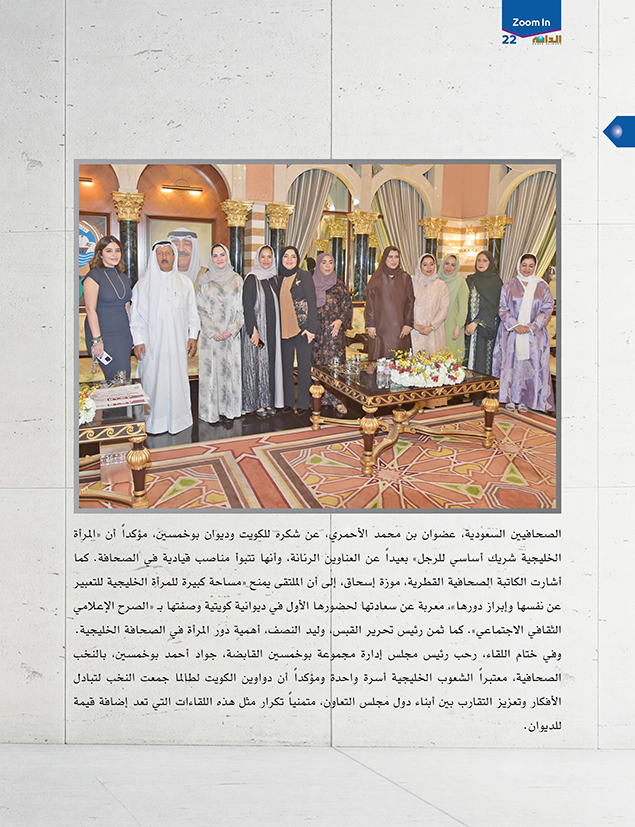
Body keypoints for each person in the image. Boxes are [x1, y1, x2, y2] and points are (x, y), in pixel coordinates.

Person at [130, 241, 199, 435]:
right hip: (153, 346)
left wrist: (193, 336)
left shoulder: (185, 282)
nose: (164, 257)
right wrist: (138, 341)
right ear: (154, 257)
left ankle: (179, 419)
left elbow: (193, 314)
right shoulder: (143, 284)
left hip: (178, 344)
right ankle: (156, 422)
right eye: (160, 253)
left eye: (168, 253)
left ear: (174, 256)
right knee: (154, 382)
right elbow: (135, 317)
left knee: (177, 381)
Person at [492, 253, 555, 412]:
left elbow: (547, 308)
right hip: (511, 333)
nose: (527, 269)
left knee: (529, 366)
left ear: (535, 267)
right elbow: (502, 308)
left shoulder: (542, 286)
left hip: (534, 335)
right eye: (524, 265)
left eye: (531, 266)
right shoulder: (509, 285)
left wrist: (532, 326)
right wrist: (515, 325)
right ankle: (511, 399)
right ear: (518, 266)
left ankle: (526, 400)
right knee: (513, 365)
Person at [197, 244, 244, 424]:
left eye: (222, 255)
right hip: (211, 338)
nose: (219, 259)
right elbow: (200, 309)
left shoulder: (237, 279)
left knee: (231, 373)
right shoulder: (203, 280)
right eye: (215, 256)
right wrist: (212, 331)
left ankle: (230, 410)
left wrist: (231, 330)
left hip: (231, 337)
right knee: (212, 375)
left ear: (227, 256)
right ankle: (212, 412)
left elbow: (242, 309)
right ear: (211, 259)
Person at [83, 236, 133, 380]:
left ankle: (121, 396)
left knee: (124, 373)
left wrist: (132, 333)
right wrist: (97, 340)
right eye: (109, 251)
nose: (114, 254)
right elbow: (90, 309)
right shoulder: (93, 276)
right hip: (103, 333)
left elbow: (127, 306)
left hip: (123, 333)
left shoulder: (124, 278)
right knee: (115, 375)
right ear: (100, 254)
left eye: (117, 250)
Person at [241, 245, 283, 417]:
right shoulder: (252, 279)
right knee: (257, 366)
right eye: (263, 256)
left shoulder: (274, 279)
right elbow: (247, 307)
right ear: (257, 259)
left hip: (272, 332)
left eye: (269, 256)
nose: (266, 260)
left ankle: (268, 402)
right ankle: (257, 403)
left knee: (269, 366)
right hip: (257, 333)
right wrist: (253, 331)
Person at [276, 245, 317, 414]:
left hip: (303, 330)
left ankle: (303, 403)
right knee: (285, 366)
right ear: (281, 259)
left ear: (298, 259)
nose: (289, 259)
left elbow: (312, 302)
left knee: (304, 367)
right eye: (286, 256)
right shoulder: (278, 279)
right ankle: (287, 401)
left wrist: (311, 328)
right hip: (284, 330)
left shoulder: (304, 276)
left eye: (293, 256)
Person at [311, 252, 353, 414]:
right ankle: (320, 398)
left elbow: (347, 307)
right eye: (324, 262)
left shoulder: (340, 285)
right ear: (318, 265)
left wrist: (341, 321)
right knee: (318, 366)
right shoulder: (311, 284)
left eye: (330, 262)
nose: (327, 266)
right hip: (317, 334)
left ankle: (337, 399)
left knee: (335, 366)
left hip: (335, 334)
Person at [364, 245, 414, 361]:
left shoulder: (405, 277)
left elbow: (410, 301)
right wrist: (370, 324)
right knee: (380, 359)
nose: (394, 260)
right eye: (390, 257)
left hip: (399, 328)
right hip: (380, 327)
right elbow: (370, 303)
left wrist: (408, 324)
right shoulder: (376, 277)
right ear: (384, 258)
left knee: (398, 361)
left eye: (396, 257)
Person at [464, 250, 503, 375]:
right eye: (479, 260)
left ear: (490, 263)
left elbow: (493, 305)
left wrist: (476, 322)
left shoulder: (495, 281)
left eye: (485, 260)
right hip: (470, 327)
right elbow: (465, 302)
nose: (481, 263)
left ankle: (481, 387)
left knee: (482, 360)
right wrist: (466, 323)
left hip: (486, 326)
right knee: (467, 358)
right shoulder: (470, 280)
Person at [410, 253, 450, 356]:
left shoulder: (441, 285)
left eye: (431, 264)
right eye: (425, 264)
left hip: (434, 331)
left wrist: (431, 327)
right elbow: (406, 306)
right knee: (415, 362)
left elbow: (444, 309)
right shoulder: (412, 282)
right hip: (415, 331)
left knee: (433, 361)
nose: (429, 267)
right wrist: (415, 325)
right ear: (420, 266)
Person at [438, 253, 469, 361]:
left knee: (450, 359)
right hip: (437, 326)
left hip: (452, 326)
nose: (449, 267)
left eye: (453, 265)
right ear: (442, 264)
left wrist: (458, 326)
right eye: (447, 263)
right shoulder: (436, 281)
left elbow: (463, 307)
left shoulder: (461, 282)